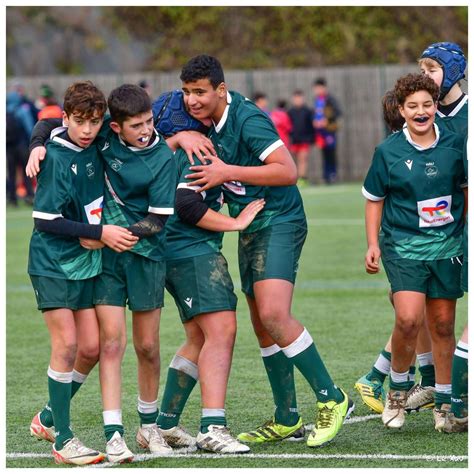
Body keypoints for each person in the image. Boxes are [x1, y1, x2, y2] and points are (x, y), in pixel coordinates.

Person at [179, 54, 353, 448]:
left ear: (221, 90)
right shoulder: (196, 116)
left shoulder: (247, 118)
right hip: (250, 225)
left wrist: (227, 172)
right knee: (261, 323)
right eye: (187, 92)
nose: (192, 100)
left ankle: (332, 397)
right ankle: (287, 417)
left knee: (275, 313)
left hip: (279, 219)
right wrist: (180, 136)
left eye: (200, 92)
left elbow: (287, 170)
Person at [27, 81, 138, 465]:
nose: (88, 130)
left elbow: (128, 121)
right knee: (68, 346)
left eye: (94, 121)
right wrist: (99, 233)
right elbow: (44, 220)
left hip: (84, 265)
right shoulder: (56, 155)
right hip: (52, 264)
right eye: (79, 122)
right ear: (66, 119)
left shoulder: (100, 134)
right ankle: (65, 439)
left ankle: (46, 418)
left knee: (91, 348)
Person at [355, 42, 468, 416]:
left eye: (432, 68)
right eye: (412, 104)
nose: (426, 76)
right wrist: (373, 242)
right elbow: (374, 197)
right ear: (402, 110)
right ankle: (407, 386)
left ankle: (444, 396)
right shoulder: (392, 148)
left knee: (442, 320)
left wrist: (460, 228)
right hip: (405, 244)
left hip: (449, 242)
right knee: (407, 311)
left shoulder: (457, 130)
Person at [157, 151, 264, 454]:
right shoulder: (197, 149)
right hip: (191, 253)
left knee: (199, 337)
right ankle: (212, 428)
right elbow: (186, 204)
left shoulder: (183, 142)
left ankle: (164, 424)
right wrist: (237, 222)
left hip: (179, 250)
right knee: (222, 331)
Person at [6, 91, 36, 205]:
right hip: (22, 145)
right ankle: (29, 195)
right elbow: (30, 128)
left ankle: (12, 197)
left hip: (9, 147)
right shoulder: (23, 110)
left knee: (12, 172)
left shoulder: (6, 110)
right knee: (26, 171)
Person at [313, 77, 341, 184]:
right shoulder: (316, 100)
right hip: (320, 132)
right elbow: (315, 114)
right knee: (324, 153)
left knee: (331, 152)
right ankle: (326, 175)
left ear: (324, 88)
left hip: (329, 131)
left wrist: (327, 120)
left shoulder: (330, 99)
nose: (317, 90)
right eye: (316, 88)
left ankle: (333, 174)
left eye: (319, 88)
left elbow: (338, 112)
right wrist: (314, 121)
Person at [287, 89, 315, 184]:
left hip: (305, 140)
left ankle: (302, 178)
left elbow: (312, 126)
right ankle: (295, 179)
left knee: (302, 159)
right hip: (294, 140)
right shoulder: (290, 112)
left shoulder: (308, 111)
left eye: (299, 98)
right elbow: (287, 126)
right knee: (293, 160)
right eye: (296, 98)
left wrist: (312, 138)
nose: (298, 100)